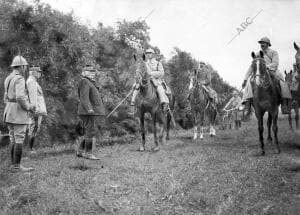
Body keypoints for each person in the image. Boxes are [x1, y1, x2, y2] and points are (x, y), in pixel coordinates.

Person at [241, 37, 292, 118]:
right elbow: (251, 67)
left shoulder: (273, 52)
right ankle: (247, 105)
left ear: (268, 44)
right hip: (259, 72)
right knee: (249, 83)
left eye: (264, 43)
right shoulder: (257, 54)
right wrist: (245, 78)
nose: (262, 44)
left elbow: (275, 63)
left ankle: (284, 104)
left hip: (272, 71)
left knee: (283, 84)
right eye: (261, 43)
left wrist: (266, 67)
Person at [3, 55, 35, 172]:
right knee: (19, 138)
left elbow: (5, 97)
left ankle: (13, 165)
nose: (26, 68)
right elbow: (20, 97)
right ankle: (17, 166)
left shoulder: (8, 78)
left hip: (9, 111)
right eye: (25, 66)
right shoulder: (20, 79)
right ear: (21, 67)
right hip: (18, 112)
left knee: (13, 138)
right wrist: (28, 107)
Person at [77, 65, 105, 160]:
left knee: (89, 131)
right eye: (89, 72)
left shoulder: (90, 82)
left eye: (93, 72)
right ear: (84, 73)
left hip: (88, 111)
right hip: (87, 112)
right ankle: (88, 153)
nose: (92, 74)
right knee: (90, 131)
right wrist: (89, 109)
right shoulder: (84, 81)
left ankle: (80, 151)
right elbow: (84, 98)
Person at [129, 48, 170, 115]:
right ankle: (132, 104)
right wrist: (140, 75)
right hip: (145, 79)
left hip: (156, 79)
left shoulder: (158, 63)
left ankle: (164, 105)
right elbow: (141, 70)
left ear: (153, 54)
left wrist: (151, 73)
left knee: (160, 89)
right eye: (147, 53)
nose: (148, 55)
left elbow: (162, 73)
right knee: (136, 86)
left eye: (150, 53)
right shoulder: (144, 63)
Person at [26, 66, 47, 153]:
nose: (40, 73)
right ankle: (30, 149)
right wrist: (35, 110)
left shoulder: (33, 81)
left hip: (36, 109)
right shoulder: (31, 82)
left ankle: (31, 148)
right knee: (34, 128)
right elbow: (32, 97)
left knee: (35, 128)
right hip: (35, 110)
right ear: (33, 72)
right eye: (38, 72)